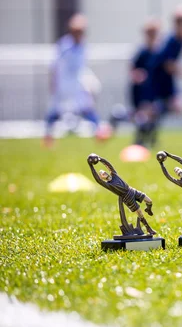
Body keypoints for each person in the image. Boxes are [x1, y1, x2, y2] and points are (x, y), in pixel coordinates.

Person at [139, 4, 182, 147]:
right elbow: (168, 64)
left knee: (169, 109)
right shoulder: (172, 40)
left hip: (166, 80)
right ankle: (141, 136)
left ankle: (147, 138)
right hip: (157, 79)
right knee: (157, 110)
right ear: (177, 23)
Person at [44, 14, 102, 147]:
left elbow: (82, 67)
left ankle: (99, 133)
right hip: (63, 85)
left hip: (77, 85)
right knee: (56, 110)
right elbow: (54, 66)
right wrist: (53, 83)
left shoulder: (83, 46)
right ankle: (48, 136)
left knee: (86, 107)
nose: (80, 34)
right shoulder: (64, 46)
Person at [88, 154, 156, 235]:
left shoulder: (114, 174)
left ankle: (148, 209)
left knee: (149, 200)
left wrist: (100, 159)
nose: (103, 173)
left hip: (131, 190)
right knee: (140, 213)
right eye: (101, 174)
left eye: (103, 171)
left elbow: (109, 165)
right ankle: (148, 228)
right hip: (127, 197)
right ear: (101, 177)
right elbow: (97, 180)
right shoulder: (108, 185)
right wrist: (91, 166)